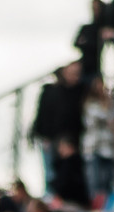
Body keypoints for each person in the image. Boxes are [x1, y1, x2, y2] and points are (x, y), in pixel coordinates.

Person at [30, 63, 89, 204]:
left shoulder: (77, 91)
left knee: (65, 171)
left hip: (68, 139)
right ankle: (52, 199)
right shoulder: (50, 91)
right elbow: (42, 114)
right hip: (51, 138)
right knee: (51, 171)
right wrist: (42, 135)